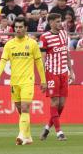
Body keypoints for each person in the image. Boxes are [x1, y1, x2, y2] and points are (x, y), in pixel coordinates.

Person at [0, 17, 47, 145]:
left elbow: (39, 63)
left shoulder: (33, 44)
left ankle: (21, 135)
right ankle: (28, 137)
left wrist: (43, 80)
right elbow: (2, 61)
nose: (18, 29)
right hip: (14, 82)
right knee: (20, 109)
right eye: (16, 27)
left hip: (28, 81)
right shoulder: (9, 44)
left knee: (24, 108)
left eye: (20, 27)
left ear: (26, 28)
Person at [39, 13, 75, 141]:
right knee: (55, 102)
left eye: (61, 21)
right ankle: (59, 132)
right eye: (58, 21)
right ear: (51, 23)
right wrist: (42, 78)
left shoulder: (64, 34)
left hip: (63, 73)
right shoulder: (44, 37)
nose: (61, 23)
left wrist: (71, 70)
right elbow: (42, 60)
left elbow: (67, 53)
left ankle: (48, 127)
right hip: (51, 72)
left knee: (61, 104)